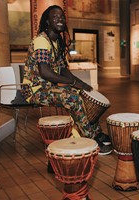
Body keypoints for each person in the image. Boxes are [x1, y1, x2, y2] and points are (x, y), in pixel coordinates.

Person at [22, 5, 112, 155]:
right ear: (47, 22)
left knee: (82, 93)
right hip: (34, 90)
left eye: (62, 17)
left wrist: (82, 84)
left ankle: (95, 131)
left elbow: (63, 69)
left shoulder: (57, 42)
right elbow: (45, 72)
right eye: (55, 17)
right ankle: (90, 138)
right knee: (73, 98)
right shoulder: (41, 41)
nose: (60, 20)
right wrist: (73, 83)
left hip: (47, 88)